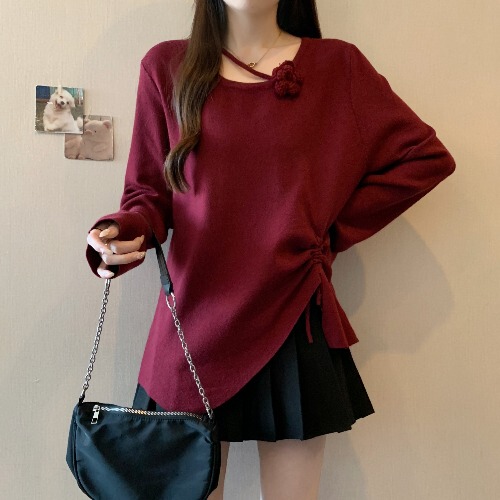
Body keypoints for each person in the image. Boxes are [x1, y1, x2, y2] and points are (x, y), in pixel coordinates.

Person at [85, 1, 456, 498]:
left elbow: (424, 157)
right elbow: (148, 193)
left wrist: (327, 233)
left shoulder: (338, 66)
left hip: (293, 317)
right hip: (193, 319)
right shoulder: (166, 66)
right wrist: (121, 232)